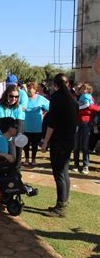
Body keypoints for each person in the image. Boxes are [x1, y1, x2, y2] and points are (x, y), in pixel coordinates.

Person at [41, 73, 78, 218]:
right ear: (67, 84)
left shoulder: (57, 98)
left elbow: (52, 123)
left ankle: (60, 207)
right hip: (69, 140)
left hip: (59, 142)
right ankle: (63, 202)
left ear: (55, 85)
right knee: (65, 172)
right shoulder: (73, 100)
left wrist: (45, 142)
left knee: (59, 174)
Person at [73, 83, 100, 174]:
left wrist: (85, 107)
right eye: (81, 89)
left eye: (84, 89)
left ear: (88, 90)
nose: (82, 90)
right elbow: (74, 110)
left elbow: (94, 109)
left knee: (85, 146)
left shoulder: (89, 98)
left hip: (86, 124)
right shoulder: (76, 98)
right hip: (77, 124)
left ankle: (85, 166)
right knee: (76, 146)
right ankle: (76, 165)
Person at [24, 82, 50, 166]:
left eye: (31, 88)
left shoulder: (40, 98)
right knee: (26, 144)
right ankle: (27, 159)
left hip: (37, 126)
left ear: (35, 90)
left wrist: (44, 113)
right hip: (26, 125)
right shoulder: (24, 98)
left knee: (35, 144)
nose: (29, 90)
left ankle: (34, 159)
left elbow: (49, 107)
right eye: (28, 88)